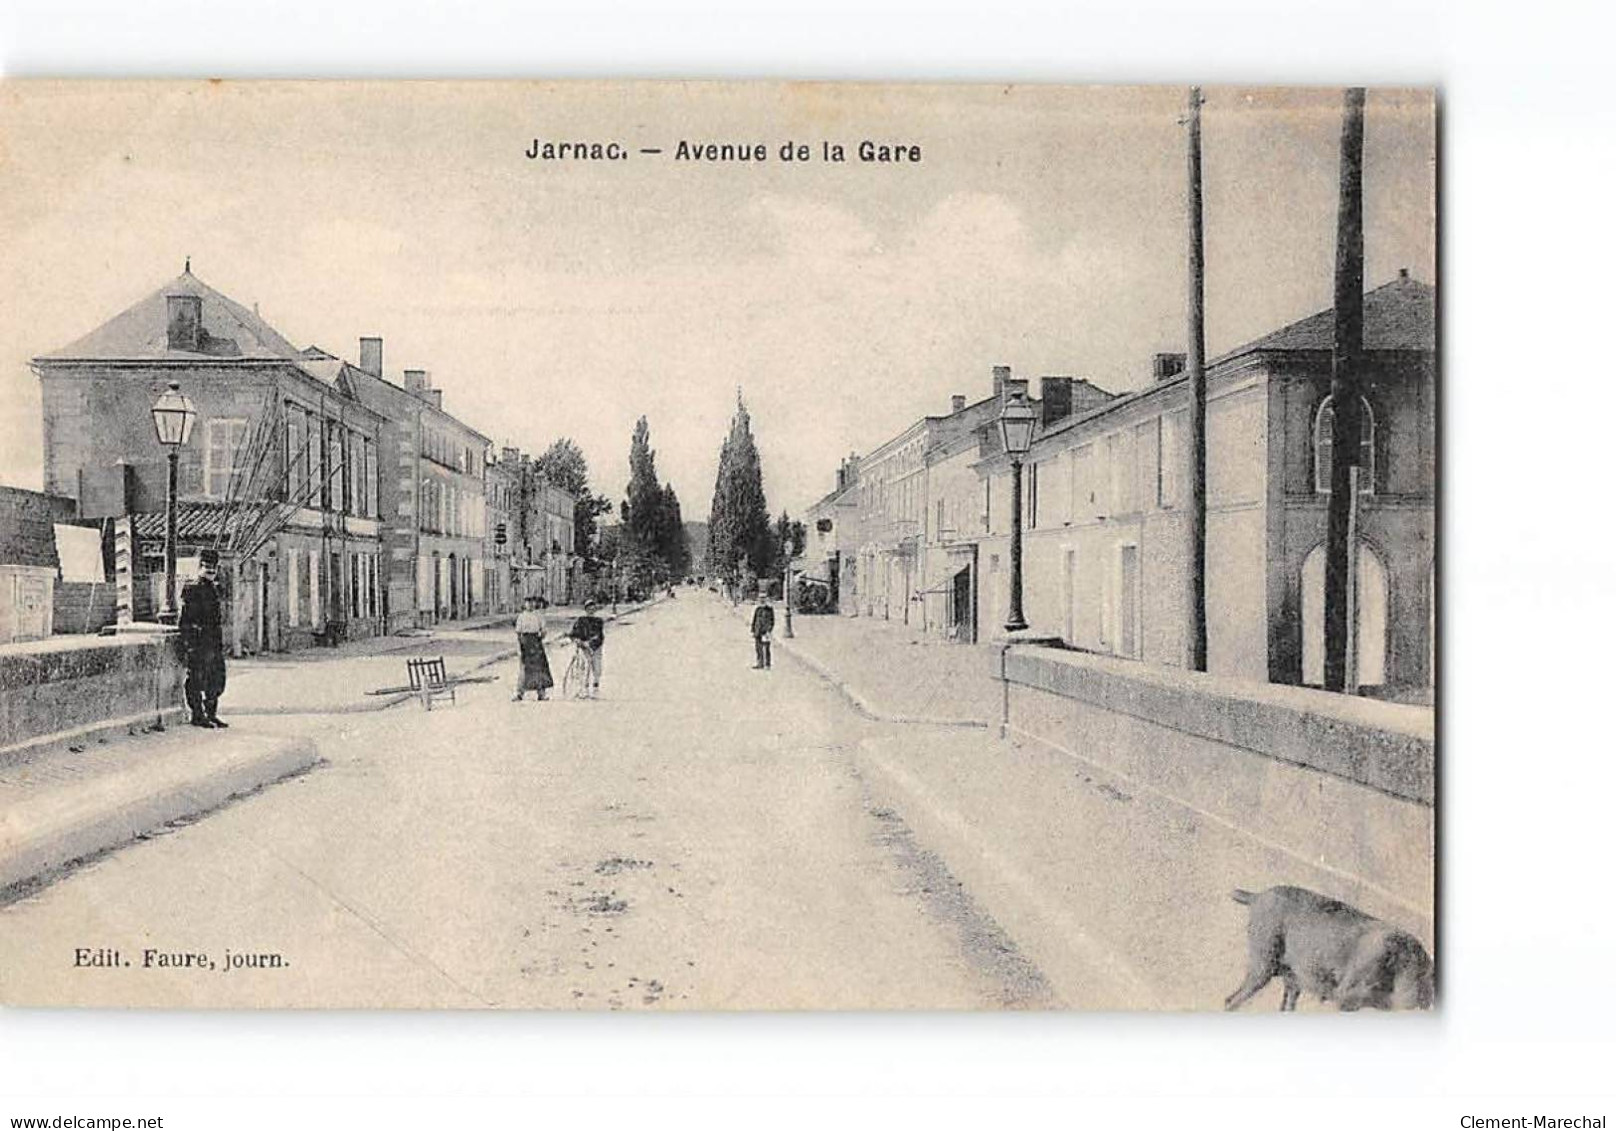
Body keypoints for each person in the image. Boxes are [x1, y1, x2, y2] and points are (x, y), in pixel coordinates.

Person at [179, 548, 228, 728]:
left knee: (216, 680)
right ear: (200, 567)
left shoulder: (214, 589)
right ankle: (197, 715)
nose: (210, 571)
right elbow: (184, 620)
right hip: (198, 643)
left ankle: (211, 714)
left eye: (213, 568)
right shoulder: (192, 589)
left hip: (213, 643)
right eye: (207, 567)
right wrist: (190, 644)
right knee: (197, 679)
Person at [512, 595, 553, 701]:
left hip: (536, 642)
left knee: (540, 668)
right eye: (527, 602)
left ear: (535, 604)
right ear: (524, 604)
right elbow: (518, 633)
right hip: (525, 643)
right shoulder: (521, 617)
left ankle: (541, 693)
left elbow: (543, 631)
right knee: (524, 668)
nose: (530, 605)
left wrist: (538, 638)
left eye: (532, 602)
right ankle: (519, 693)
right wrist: (520, 647)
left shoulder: (539, 616)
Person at [567, 600, 606, 699]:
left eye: (593, 609)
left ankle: (596, 688)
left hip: (595, 647)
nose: (591, 611)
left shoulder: (598, 621)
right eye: (589, 609)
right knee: (584, 667)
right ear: (585, 610)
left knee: (597, 668)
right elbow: (573, 634)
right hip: (584, 647)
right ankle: (584, 689)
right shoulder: (581, 621)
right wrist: (578, 641)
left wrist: (591, 644)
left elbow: (600, 636)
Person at [751, 598, 775, 670]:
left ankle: (767, 664)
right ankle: (759, 663)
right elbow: (754, 619)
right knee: (758, 648)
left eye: (764, 600)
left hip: (765, 631)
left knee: (766, 648)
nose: (762, 601)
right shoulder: (758, 609)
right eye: (761, 600)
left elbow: (772, 621)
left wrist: (769, 630)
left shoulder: (769, 610)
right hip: (758, 630)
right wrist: (753, 629)